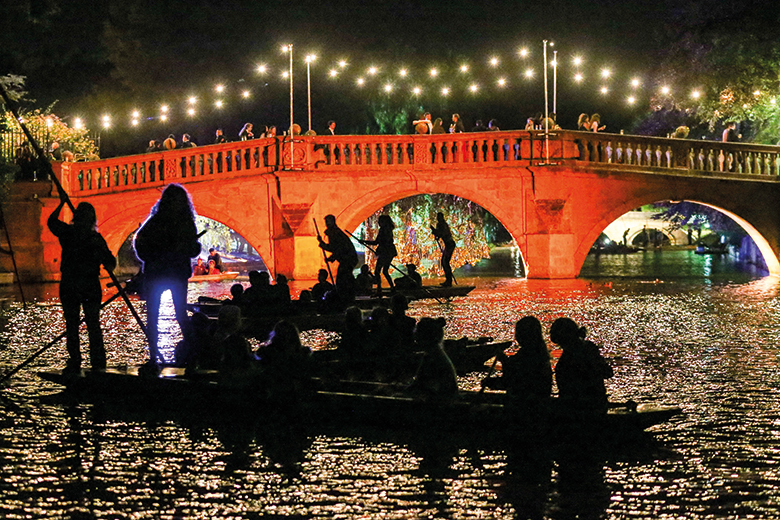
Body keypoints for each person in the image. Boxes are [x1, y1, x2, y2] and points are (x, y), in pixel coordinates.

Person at [134, 184, 201, 369]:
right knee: (173, 314)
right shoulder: (180, 223)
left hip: (163, 273)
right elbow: (194, 249)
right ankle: (163, 357)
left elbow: (193, 249)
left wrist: (185, 247)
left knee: (163, 315)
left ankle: (160, 357)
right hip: (168, 273)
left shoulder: (157, 221)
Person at [48, 196, 116, 372]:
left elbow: (51, 222)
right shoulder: (95, 238)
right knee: (93, 323)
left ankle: (75, 360)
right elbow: (110, 262)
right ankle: (98, 361)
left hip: (70, 283)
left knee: (72, 324)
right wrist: (106, 262)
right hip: (89, 284)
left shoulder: (68, 233)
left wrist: (62, 203)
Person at [549, 317, 613, 413]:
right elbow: (608, 372)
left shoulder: (566, 361)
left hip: (580, 409)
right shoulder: (590, 348)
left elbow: (567, 393)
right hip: (598, 404)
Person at [481, 317, 552, 401]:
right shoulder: (540, 354)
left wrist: (489, 382)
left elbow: (511, 380)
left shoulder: (526, 356)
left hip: (523, 403)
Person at [409, 317, 458, 400]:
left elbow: (419, 385)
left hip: (442, 402)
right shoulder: (434, 353)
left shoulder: (432, 358)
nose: (414, 335)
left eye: (417, 332)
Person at [318, 214, 358, 299]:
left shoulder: (334, 233)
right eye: (326, 222)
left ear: (333, 222)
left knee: (342, 276)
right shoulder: (334, 232)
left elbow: (335, 248)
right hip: (348, 258)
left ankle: (345, 294)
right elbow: (336, 249)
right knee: (344, 275)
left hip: (349, 258)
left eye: (328, 222)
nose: (327, 224)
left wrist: (323, 245)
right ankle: (348, 293)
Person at [363, 215, 397, 296]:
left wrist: (364, 242)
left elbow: (376, 242)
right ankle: (392, 288)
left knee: (377, 271)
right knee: (385, 271)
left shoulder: (383, 230)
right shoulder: (389, 229)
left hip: (385, 252)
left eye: (380, 221)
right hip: (390, 252)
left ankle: (379, 290)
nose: (378, 223)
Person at [431, 212, 456, 287]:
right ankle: (448, 280)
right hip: (448, 245)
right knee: (444, 262)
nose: (438, 219)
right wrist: (436, 234)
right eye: (437, 217)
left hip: (450, 245)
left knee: (445, 262)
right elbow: (439, 235)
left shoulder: (442, 225)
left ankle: (449, 281)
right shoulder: (440, 224)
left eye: (439, 217)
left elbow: (442, 233)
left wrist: (434, 231)